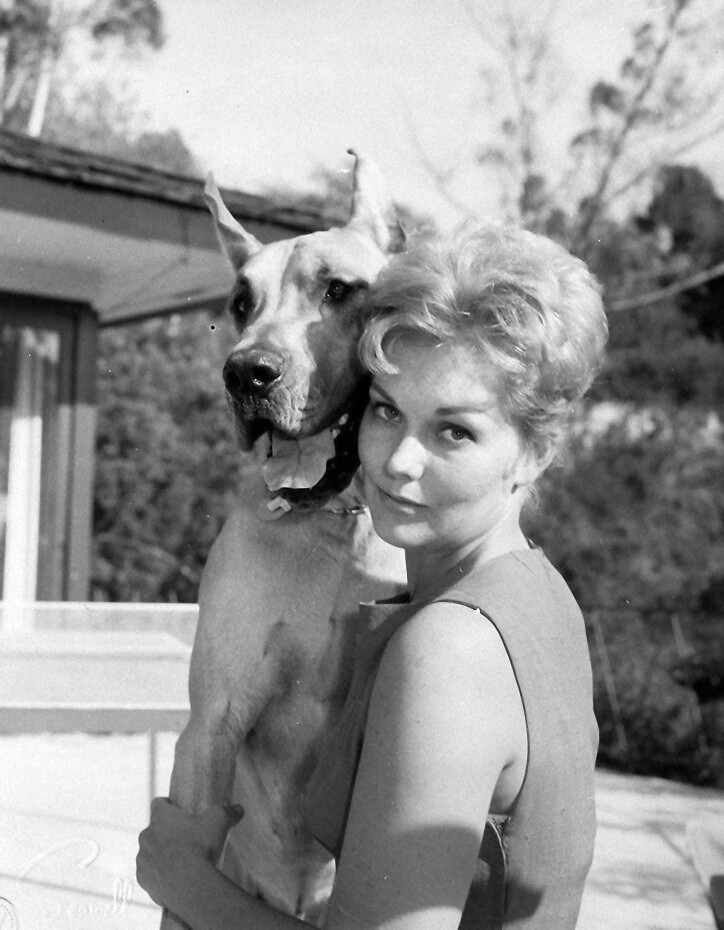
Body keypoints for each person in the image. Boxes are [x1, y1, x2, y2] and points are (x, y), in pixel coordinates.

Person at [137, 221, 608, 929]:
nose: (399, 461)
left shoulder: (445, 648)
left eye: (454, 430)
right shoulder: (541, 596)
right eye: (387, 410)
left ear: (534, 452)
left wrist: (183, 882)